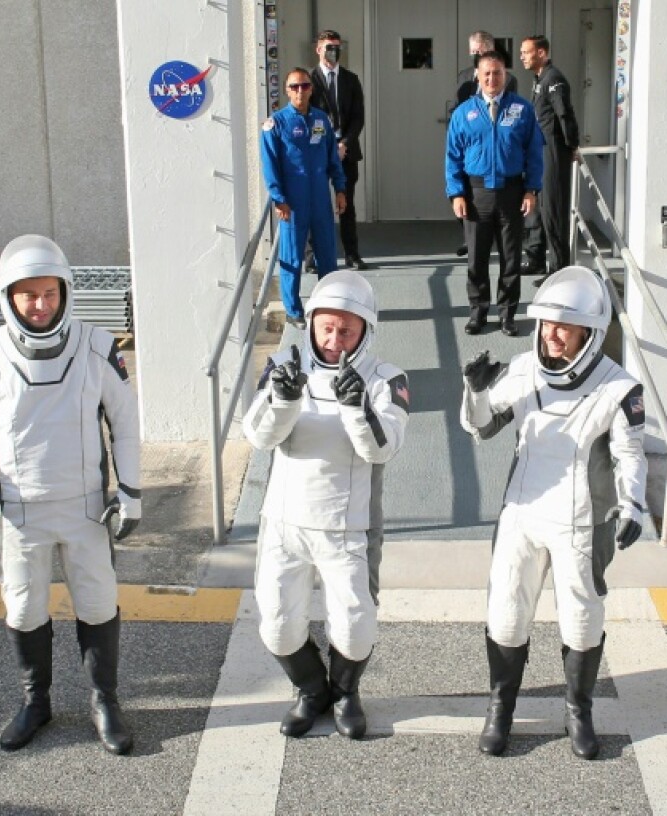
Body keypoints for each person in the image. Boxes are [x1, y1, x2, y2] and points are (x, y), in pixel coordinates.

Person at [0, 234, 141, 755]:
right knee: (23, 610)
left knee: (98, 604)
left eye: (50, 293)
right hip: (19, 513)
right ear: (8, 296)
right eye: (28, 295)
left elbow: (125, 424)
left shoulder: (97, 347)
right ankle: (35, 702)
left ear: (66, 292)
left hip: (84, 508)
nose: (40, 305)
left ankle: (105, 701)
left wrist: (130, 491)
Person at [459, 266, 647, 759]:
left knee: (582, 618)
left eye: (566, 327)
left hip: (581, 520)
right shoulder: (523, 369)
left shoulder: (618, 386)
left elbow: (631, 454)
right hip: (521, 511)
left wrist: (632, 504)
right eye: (546, 324)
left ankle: (578, 709)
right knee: (505, 610)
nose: (553, 336)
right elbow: (482, 428)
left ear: (591, 332)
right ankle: (502, 707)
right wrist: (475, 391)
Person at [243, 270, 410, 740]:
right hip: (284, 521)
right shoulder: (283, 365)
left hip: (346, 526)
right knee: (276, 625)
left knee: (356, 626)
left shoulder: (386, 378)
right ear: (311, 323)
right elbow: (256, 436)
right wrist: (283, 399)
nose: (335, 340)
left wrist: (357, 408)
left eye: (347, 330)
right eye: (327, 328)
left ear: (365, 330)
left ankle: (346, 693)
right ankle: (311, 690)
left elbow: (382, 449)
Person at [445, 51, 543, 337]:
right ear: (478, 75)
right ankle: (478, 313)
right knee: (476, 260)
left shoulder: (522, 110)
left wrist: (531, 190)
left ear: (506, 75)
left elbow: (534, 154)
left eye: (497, 72)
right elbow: (452, 157)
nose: (492, 78)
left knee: (510, 259)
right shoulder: (464, 112)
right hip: (476, 196)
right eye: (486, 73)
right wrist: (457, 194)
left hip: (512, 193)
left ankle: (507, 315)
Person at [262, 68, 347, 330]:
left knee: (327, 256)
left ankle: (328, 305)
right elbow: (269, 164)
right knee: (292, 257)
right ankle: (293, 309)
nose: (300, 91)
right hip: (292, 203)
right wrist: (278, 198)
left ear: (312, 89)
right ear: (287, 91)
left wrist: (340, 189)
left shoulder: (322, 120)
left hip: (320, 199)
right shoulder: (275, 124)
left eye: (305, 86)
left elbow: (333, 159)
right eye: (295, 86)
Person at [519, 35, 581, 283]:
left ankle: (558, 271)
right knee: (541, 210)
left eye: (526, 52)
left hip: (554, 152)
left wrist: (572, 145)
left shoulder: (553, 79)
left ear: (542, 53)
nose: (522, 56)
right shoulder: (540, 79)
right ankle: (538, 261)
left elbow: (564, 114)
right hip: (541, 152)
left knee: (554, 211)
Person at [452, 30, 518, 259]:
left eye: (478, 50)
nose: (474, 55)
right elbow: (456, 104)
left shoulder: (507, 78)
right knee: (464, 199)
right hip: (471, 144)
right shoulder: (463, 76)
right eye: (472, 51)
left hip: (499, 153)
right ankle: (469, 239)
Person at [310, 30, 369, 271]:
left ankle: (352, 254)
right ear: (318, 50)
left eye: (337, 47)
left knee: (347, 204)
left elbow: (358, 117)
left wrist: (343, 144)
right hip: (319, 152)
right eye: (328, 47)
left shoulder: (351, 79)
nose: (333, 52)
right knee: (317, 202)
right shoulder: (309, 80)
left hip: (346, 151)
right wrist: (329, 147)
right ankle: (313, 254)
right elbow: (308, 116)